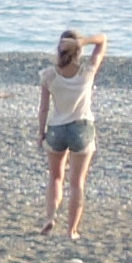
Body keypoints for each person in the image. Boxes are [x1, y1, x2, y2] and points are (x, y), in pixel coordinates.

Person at [39, 29, 108, 236]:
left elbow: (44, 109)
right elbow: (102, 40)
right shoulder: (86, 72)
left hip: (57, 127)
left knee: (55, 177)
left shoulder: (49, 75)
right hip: (81, 126)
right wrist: (83, 41)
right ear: (77, 50)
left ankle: (51, 217)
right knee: (77, 183)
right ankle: (72, 230)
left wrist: (41, 132)